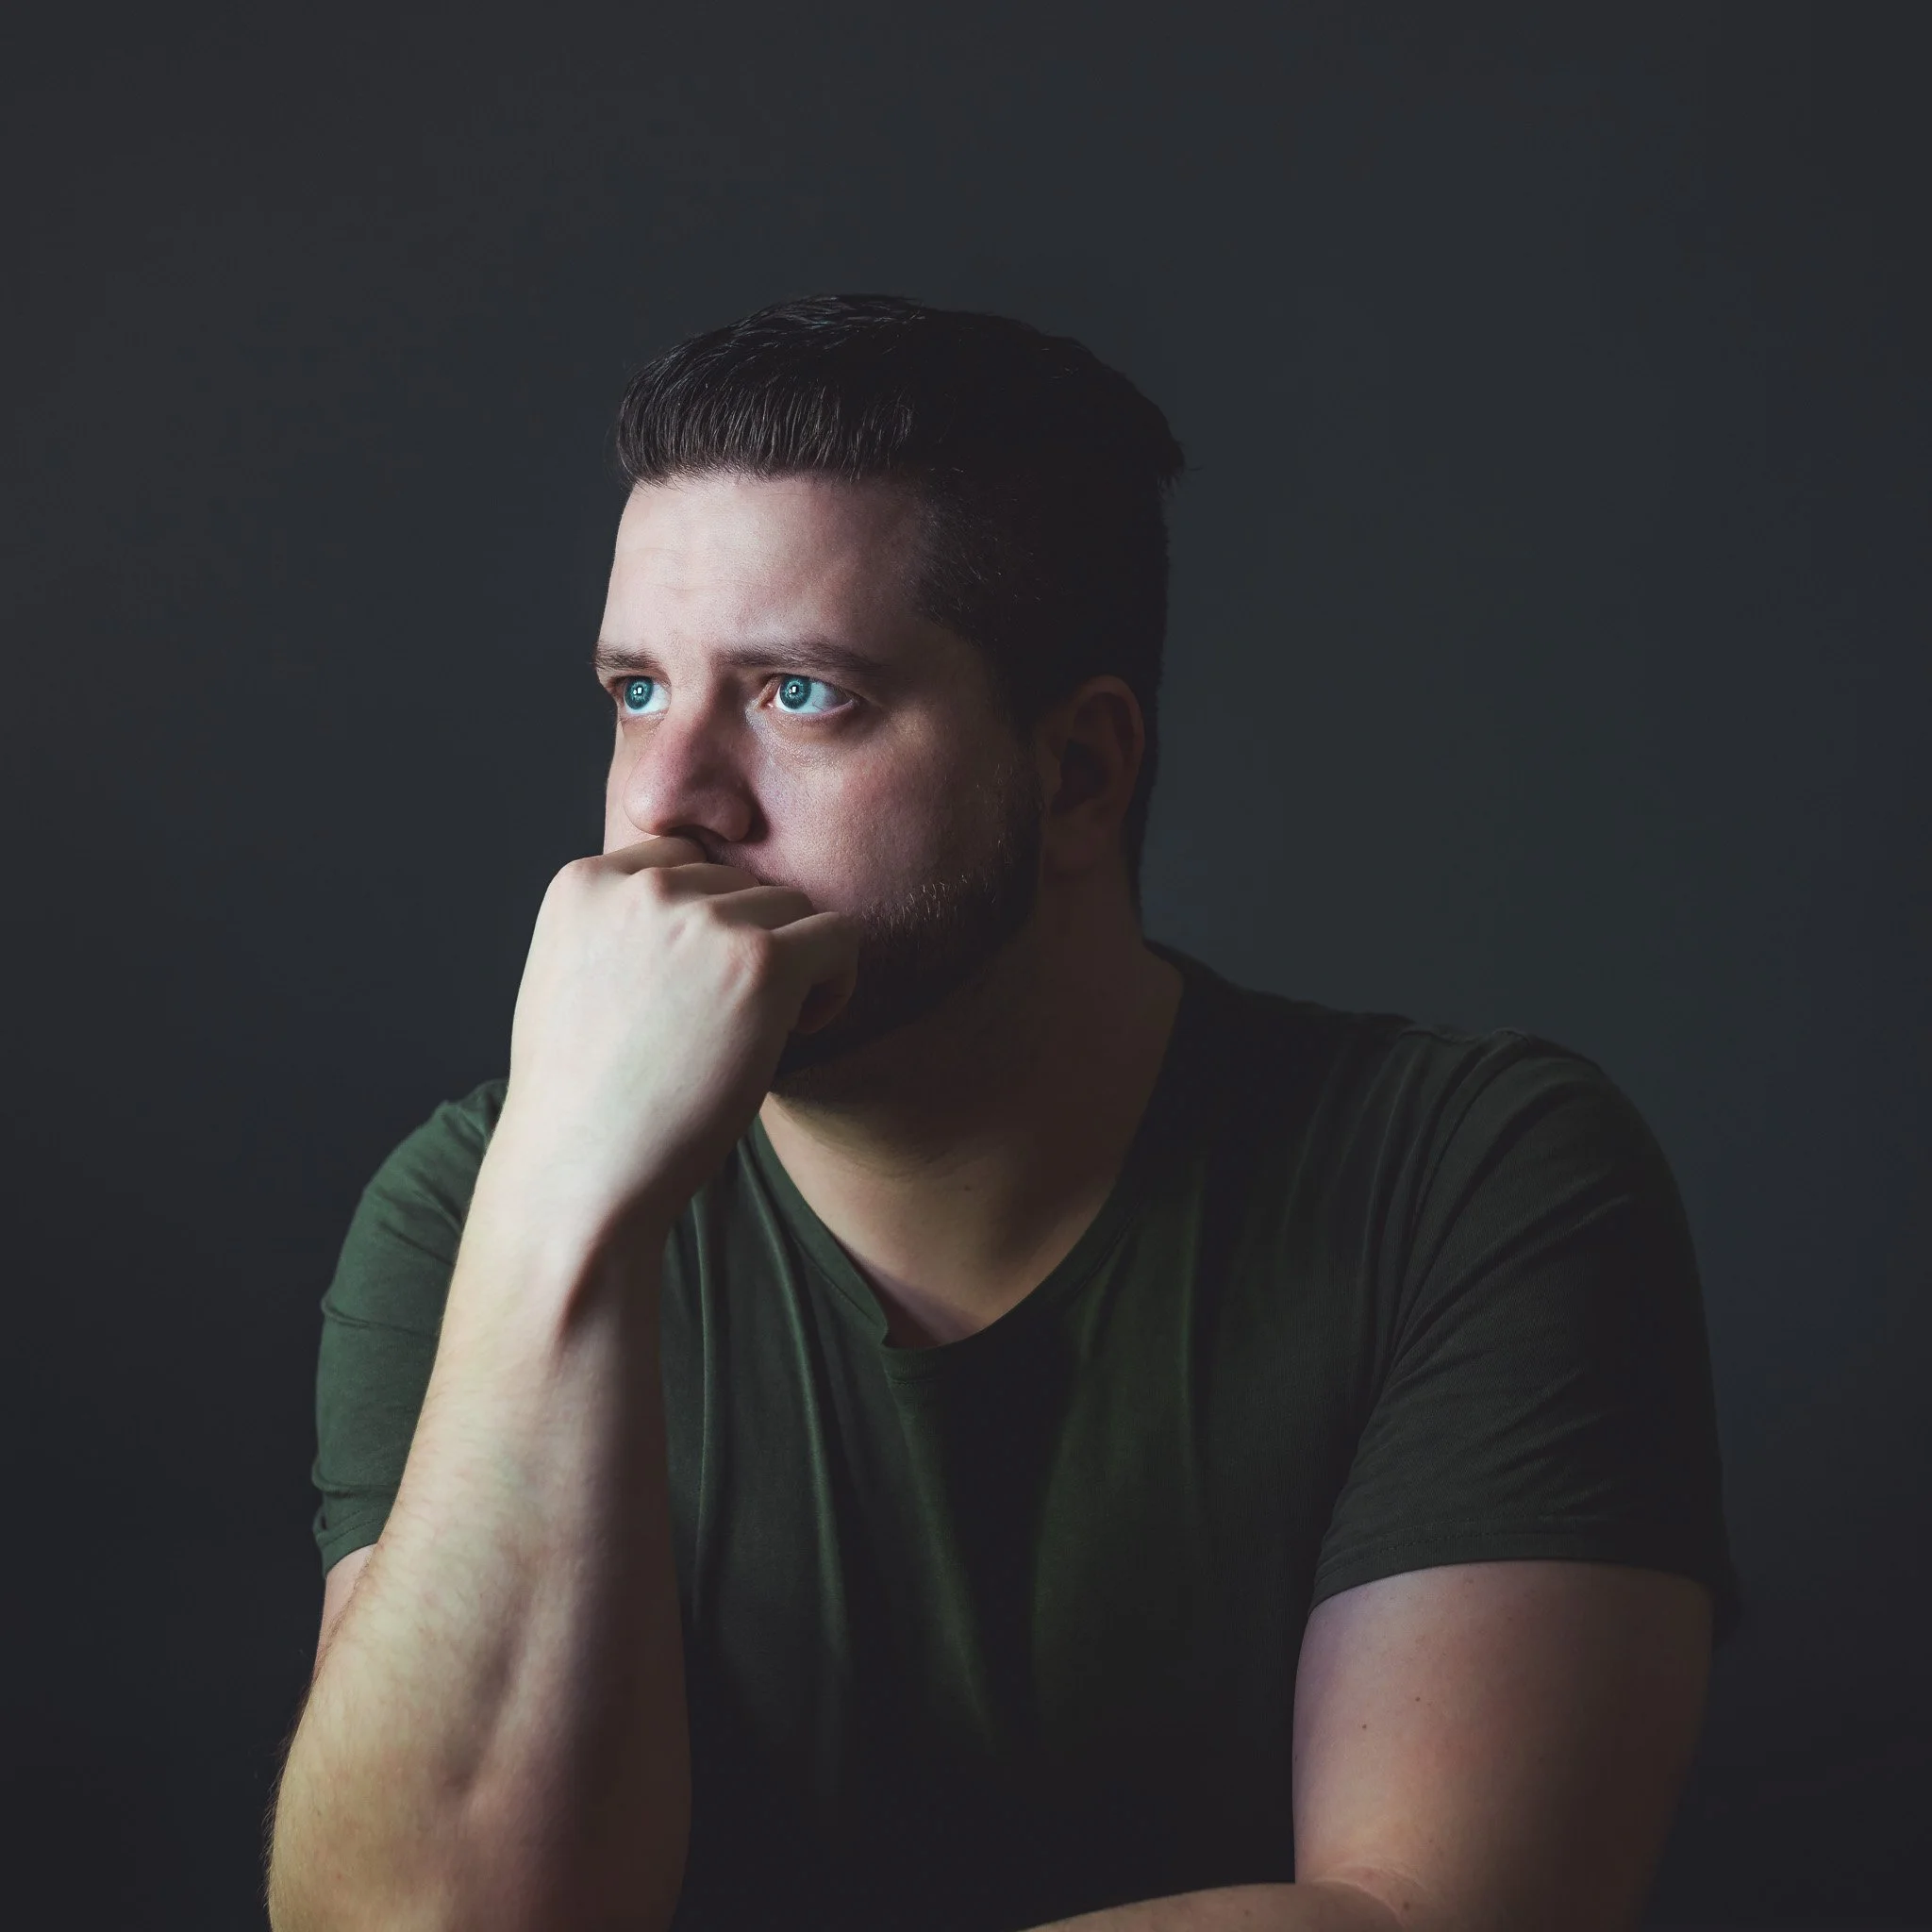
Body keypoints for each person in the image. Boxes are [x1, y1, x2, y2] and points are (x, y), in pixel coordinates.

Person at [266, 294, 1735, 1932]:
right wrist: (566, 1196)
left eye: (799, 694)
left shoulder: (1468, 1179)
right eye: (635, 691)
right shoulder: (474, 1201)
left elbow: (1433, 1918)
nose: (665, 803)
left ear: (1079, 773)